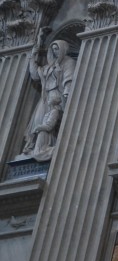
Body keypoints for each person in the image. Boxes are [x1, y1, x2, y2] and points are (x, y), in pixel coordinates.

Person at [20, 31, 75, 162]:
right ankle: (34, 147)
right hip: (46, 98)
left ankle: (46, 146)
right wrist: (34, 52)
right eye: (53, 49)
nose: (55, 51)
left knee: (50, 121)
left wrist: (67, 93)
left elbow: (69, 79)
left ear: (63, 50)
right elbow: (34, 74)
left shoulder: (68, 62)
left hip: (58, 97)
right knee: (38, 121)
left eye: (57, 49)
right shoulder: (49, 66)